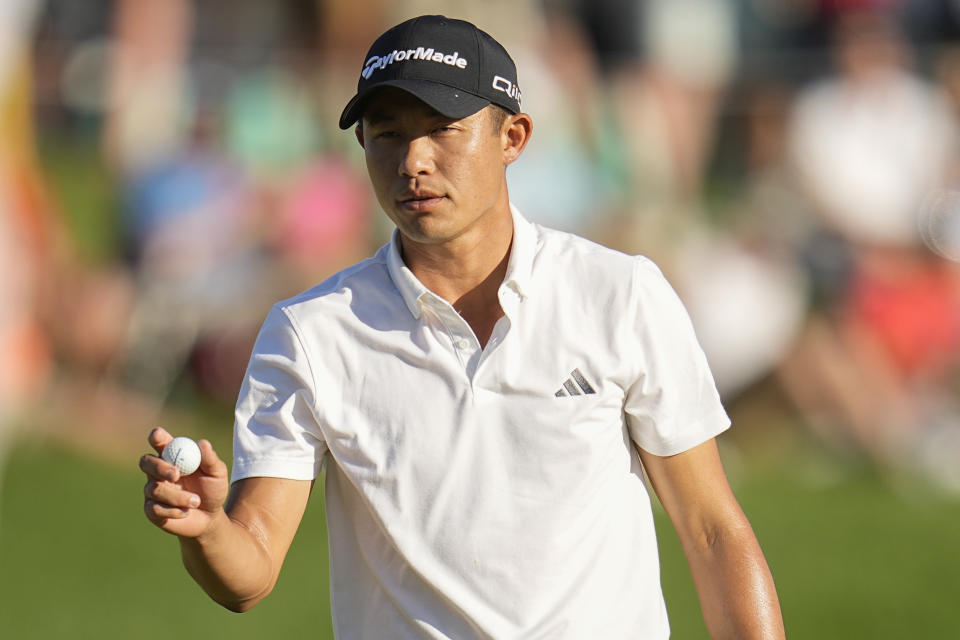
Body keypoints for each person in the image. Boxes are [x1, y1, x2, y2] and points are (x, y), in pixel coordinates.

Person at [140, 15, 785, 639]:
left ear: (514, 138)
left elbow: (711, 531)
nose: (413, 160)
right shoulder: (310, 334)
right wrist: (208, 531)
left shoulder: (620, 295)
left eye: (443, 128)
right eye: (387, 132)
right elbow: (249, 575)